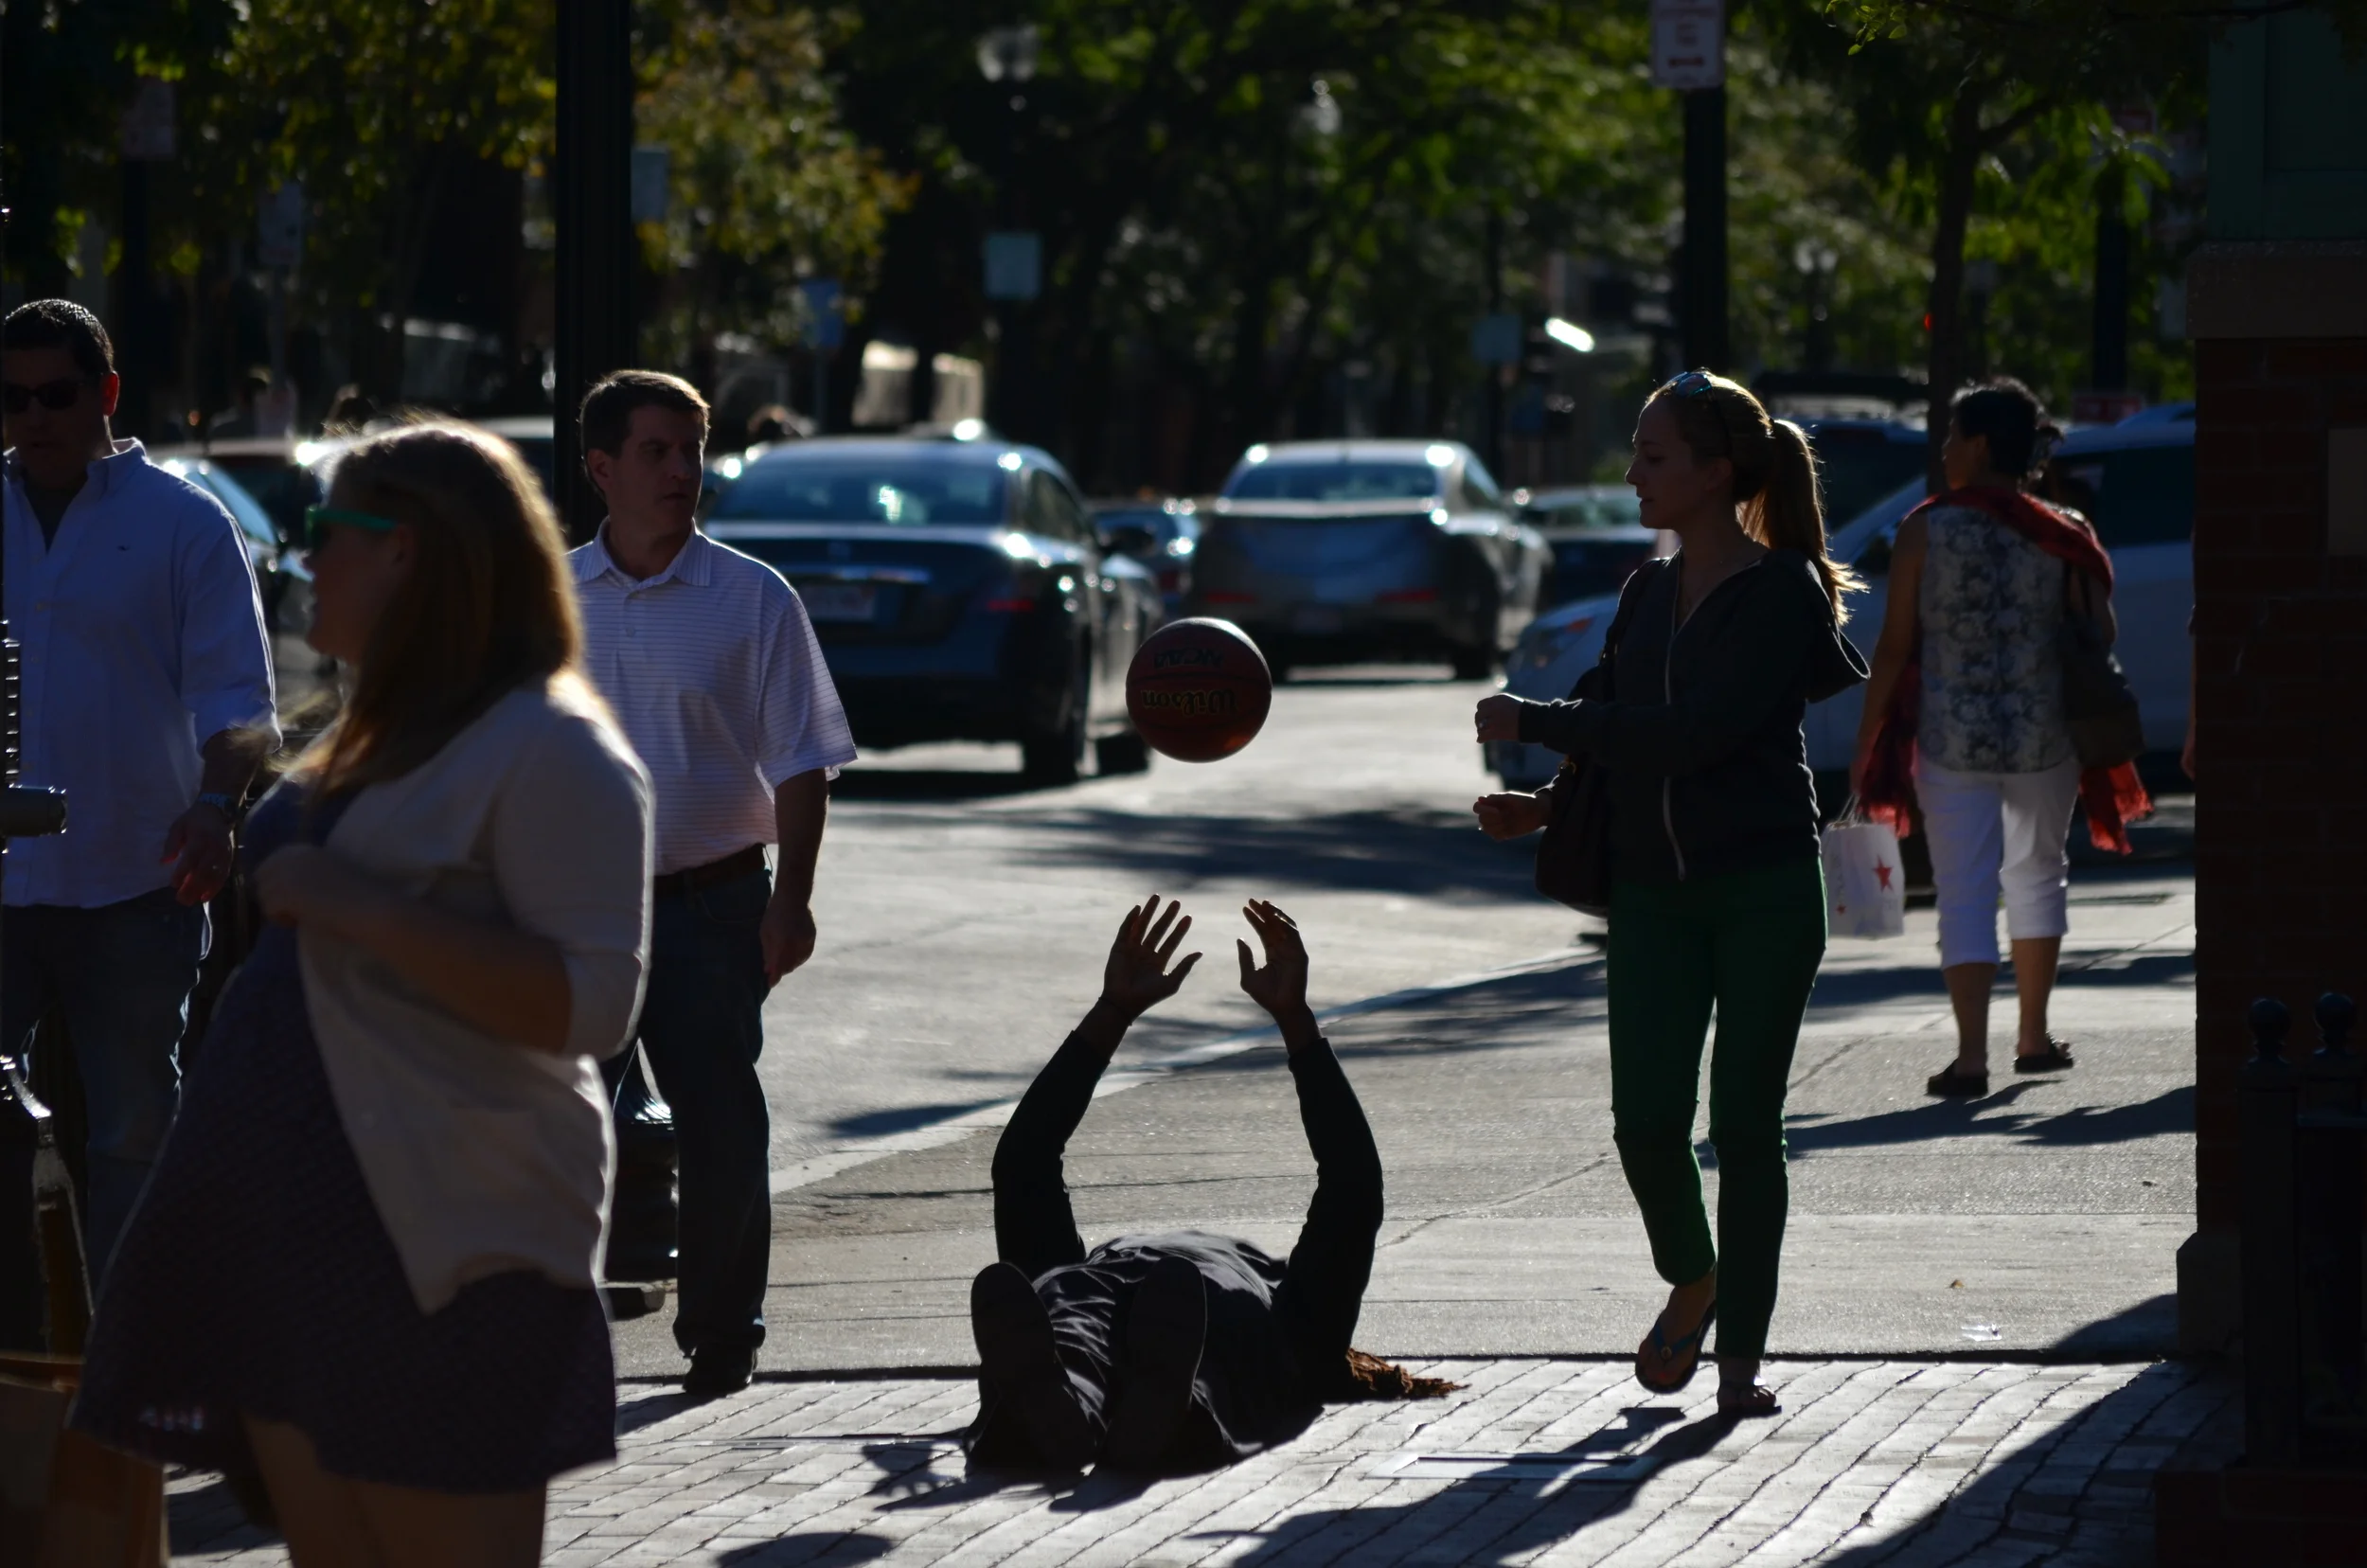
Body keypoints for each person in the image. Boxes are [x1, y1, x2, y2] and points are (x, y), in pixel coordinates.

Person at [70, 423, 655, 1565]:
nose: (305, 561)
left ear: (411, 555)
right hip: (295, 1242)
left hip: (448, 1250)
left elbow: (592, 1005)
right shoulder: (369, 736)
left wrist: (358, 904)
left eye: (328, 532)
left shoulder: (557, 747)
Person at [1468, 370, 1866, 1417]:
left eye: (1653, 456)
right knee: (1645, 1125)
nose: (1634, 474)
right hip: (1649, 889)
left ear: (1715, 471)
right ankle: (1696, 1278)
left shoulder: (1781, 592)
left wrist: (1537, 723)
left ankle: (1740, 1366)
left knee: (1743, 1126)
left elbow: (1697, 733)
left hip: (1765, 889)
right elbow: (1621, 712)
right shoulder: (1647, 591)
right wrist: (1550, 803)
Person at [571, 370, 856, 1396]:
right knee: (561, 1124)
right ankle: (554, 1330)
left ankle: (723, 1334)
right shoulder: (551, 600)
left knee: (719, 1122)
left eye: (693, 448)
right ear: (601, 468)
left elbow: (801, 760)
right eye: (656, 450)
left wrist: (794, 898)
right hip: (580, 911)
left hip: (713, 903)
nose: (682, 470)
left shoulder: (752, 597)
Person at [0, 300, 277, 1336]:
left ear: (106, 394)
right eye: (14, 397)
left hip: (134, 884)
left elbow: (242, 705)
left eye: (57, 395)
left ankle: (129, 1373)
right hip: (4, 883)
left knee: (129, 1137)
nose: (34, 417)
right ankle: (20, 1364)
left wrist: (215, 808)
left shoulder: (183, 523)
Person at [971, 896, 1450, 1474]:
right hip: (1223, 1329)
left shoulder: (1298, 1332)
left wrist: (1113, 1012)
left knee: (1072, 1321)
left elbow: (1024, 1163)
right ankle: (1135, 1412)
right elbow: (1352, 1187)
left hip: (1126, 1303)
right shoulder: (1302, 1326)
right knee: (1129, 1332)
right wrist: (1294, 1019)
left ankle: (1076, 1405)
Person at [1849, 380, 2149, 1098]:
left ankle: (1971, 1057)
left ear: (1980, 445)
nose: (1946, 451)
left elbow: (1894, 646)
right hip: (2046, 735)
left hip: (1952, 740)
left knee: (1963, 889)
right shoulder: (2065, 528)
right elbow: (2100, 634)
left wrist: (1868, 738)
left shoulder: (1925, 529)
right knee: (2039, 875)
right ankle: (2035, 1037)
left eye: (1953, 437)